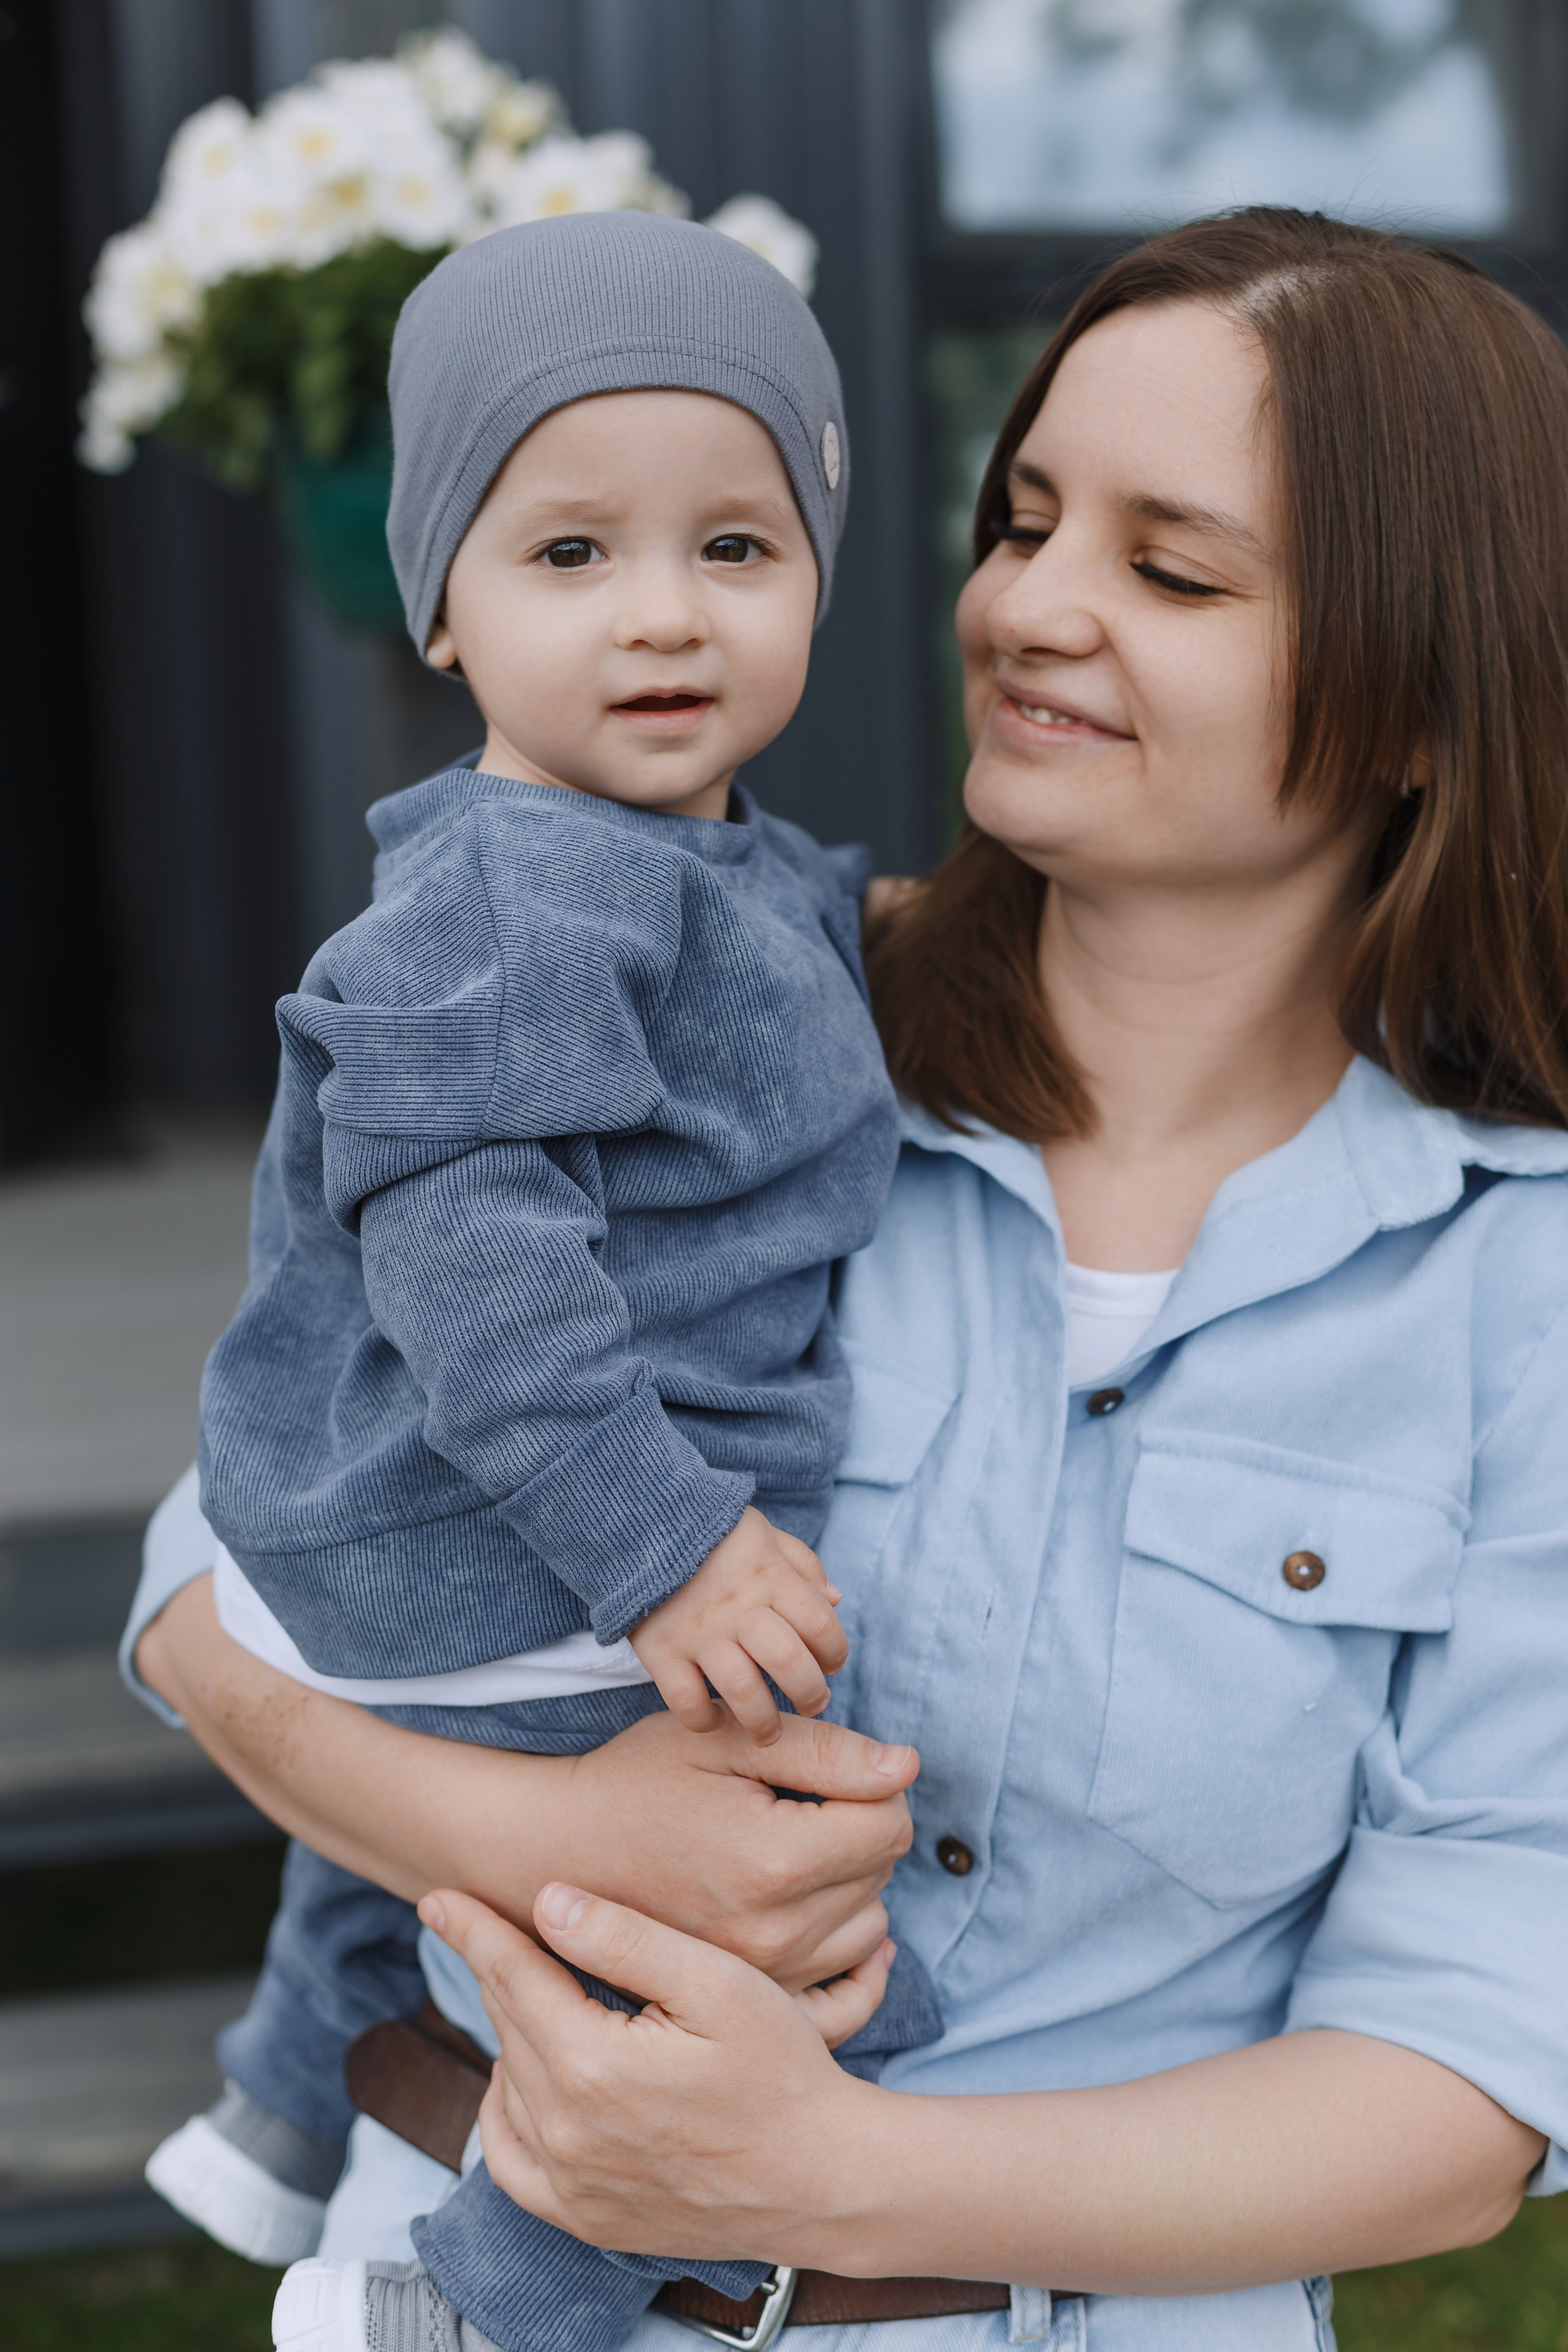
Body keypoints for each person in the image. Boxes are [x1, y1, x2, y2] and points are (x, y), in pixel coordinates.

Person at [129, 205, 1568, 2352]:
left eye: (1169, 571)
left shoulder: (1512, 1285)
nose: (1027, 611)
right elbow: (224, 1571)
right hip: (439, 2261)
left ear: (1429, 705)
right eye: (1024, 519)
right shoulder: (722, 1010)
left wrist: (814, 2170)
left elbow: (1471, 2070)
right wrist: (537, 1828)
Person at [140, 208, 941, 2352]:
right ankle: (471, 2296)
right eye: (570, 555)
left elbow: (795, 928)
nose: (663, 617)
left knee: (408, 1850)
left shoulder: (692, 848)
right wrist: (669, 1553)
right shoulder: (508, 897)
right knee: (762, 1949)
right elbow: (478, 1269)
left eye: (737, 548)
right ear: (445, 607)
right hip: (520, 1535)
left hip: (411, 1545)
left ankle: (272, 2110)